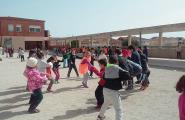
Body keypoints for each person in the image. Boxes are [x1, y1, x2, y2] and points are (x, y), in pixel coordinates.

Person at [97, 56, 131, 120]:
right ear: (117, 62)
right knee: (118, 109)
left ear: (109, 62)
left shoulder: (106, 68)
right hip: (113, 91)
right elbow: (127, 75)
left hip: (105, 89)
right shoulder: (117, 68)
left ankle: (100, 116)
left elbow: (104, 77)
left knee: (106, 103)